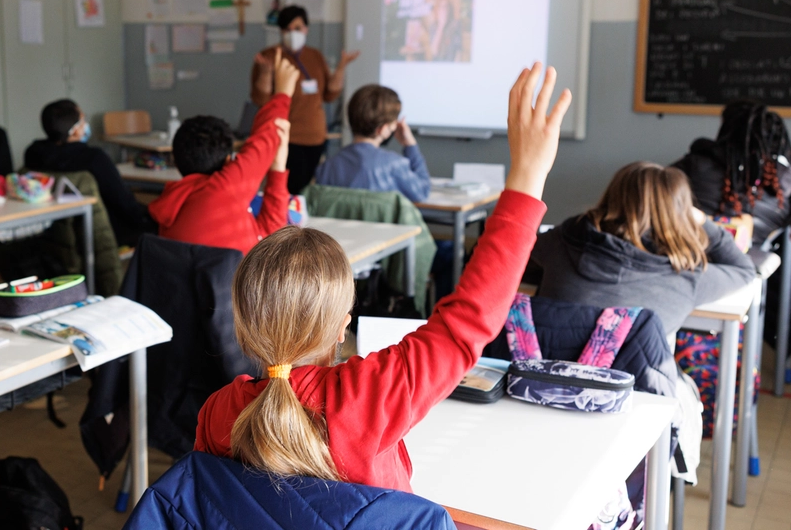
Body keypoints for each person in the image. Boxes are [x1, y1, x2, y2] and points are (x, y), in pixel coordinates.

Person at [195, 63, 569, 488]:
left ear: (241, 326)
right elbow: (468, 320)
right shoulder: (368, 398)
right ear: (342, 327)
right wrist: (528, 176)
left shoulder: (218, 412)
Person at [528, 161, 758, 339]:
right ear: (682, 214)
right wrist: (704, 222)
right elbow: (744, 269)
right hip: (633, 392)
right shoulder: (687, 274)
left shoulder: (563, 241)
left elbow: (523, 256)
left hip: (541, 381)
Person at [151, 52, 298, 255]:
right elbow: (265, 138)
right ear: (229, 160)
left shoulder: (173, 202)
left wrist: (278, 169)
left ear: (176, 161)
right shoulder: (224, 189)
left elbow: (270, 236)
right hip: (239, 286)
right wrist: (283, 93)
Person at [250, 5, 360, 195]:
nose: (293, 33)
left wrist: (341, 67)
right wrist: (266, 73)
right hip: (287, 137)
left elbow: (330, 94)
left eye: (298, 28)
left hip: (316, 136)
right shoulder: (270, 55)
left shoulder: (314, 55)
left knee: (307, 191)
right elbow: (261, 99)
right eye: (287, 29)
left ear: (307, 29)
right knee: (288, 190)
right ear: (281, 31)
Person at [672, 100, 791, 243]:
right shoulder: (785, 180)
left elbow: (655, 193)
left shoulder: (693, 166)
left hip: (694, 251)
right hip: (755, 259)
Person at [24, 99, 154, 246]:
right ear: (74, 130)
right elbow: (123, 202)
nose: (85, 124)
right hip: (105, 233)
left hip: (55, 236)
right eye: (82, 119)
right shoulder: (94, 159)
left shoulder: (33, 155)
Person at [314, 84, 431, 202]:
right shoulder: (395, 166)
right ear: (383, 129)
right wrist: (410, 145)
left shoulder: (326, 168)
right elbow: (423, 191)